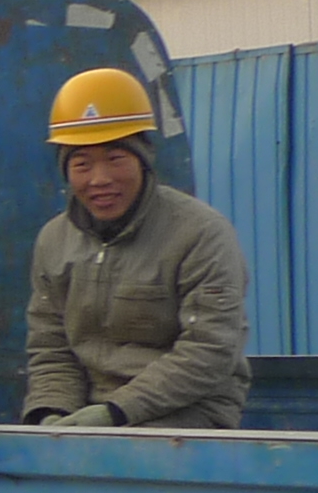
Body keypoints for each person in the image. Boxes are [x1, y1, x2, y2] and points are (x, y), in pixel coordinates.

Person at [24, 68, 250, 428]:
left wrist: (116, 412)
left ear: (143, 160)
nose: (99, 179)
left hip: (187, 413)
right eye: (82, 164)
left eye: (115, 159)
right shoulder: (54, 241)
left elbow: (209, 349)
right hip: (88, 414)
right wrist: (53, 413)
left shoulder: (201, 233)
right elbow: (51, 347)